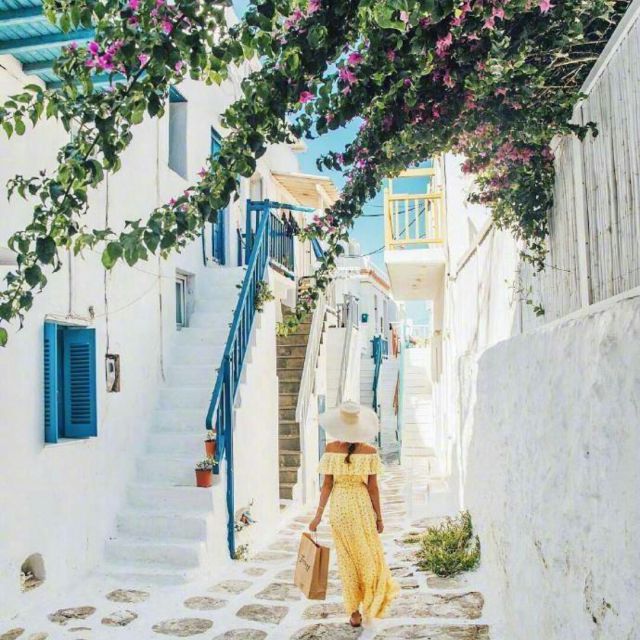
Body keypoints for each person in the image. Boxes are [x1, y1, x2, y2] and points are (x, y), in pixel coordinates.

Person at [309, 401, 398, 627]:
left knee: (347, 561)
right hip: (360, 508)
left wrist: (318, 516)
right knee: (367, 556)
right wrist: (379, 517)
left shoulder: (330, 449)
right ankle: (369, 602)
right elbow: (373, 488)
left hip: (339, 508)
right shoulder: (370, 452)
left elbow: (327, 485)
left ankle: (354, 612)